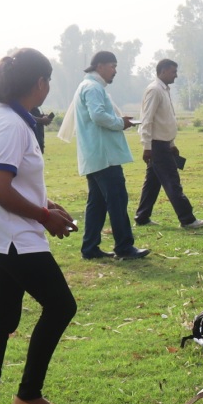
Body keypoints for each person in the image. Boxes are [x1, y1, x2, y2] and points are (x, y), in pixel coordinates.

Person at [0, 48, 80, 404]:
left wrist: (49, 204)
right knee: (61, 306)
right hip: (10, 233)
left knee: (3, 318)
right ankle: (28, 395)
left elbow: (12, 180)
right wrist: (45, 217)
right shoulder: (10, 124)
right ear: (40, 83)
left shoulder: (5, 117)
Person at [72, 51, 148, 261]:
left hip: (96, 155)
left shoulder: (88, 86)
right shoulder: (93, 87)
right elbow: (97, 115)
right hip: (104, 156)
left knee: (97, 204)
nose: (115, 70)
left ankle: (90, 248)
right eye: (112, 66)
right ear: (99, 66)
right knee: (117, 200)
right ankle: (124, 247)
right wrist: (119, 123)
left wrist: (119, 120)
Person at [135, 59, 203, 230]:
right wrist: (147, 147)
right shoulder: (154, 90)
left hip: (163, 143)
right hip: (156, 145)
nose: (176, 75)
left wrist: (171, 143)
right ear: (164, 71)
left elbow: (166, 120)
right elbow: (147, 120)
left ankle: (142, 216)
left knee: (152, 182)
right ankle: (187, 219)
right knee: (172, 181)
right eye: (173, 72)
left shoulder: (163, 90)